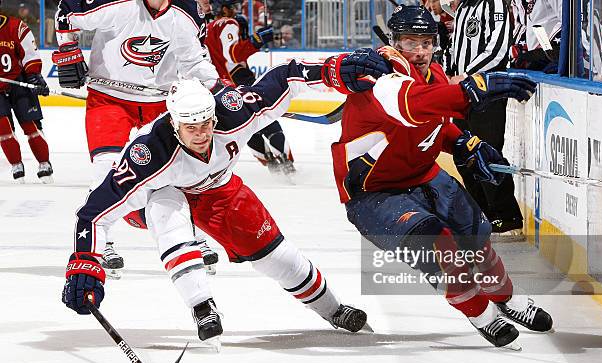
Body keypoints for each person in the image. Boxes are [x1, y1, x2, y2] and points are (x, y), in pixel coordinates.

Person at [60, 51, 392, 340]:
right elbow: (93, 214)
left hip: (219, 188)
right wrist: (85, 264)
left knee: (276, 257)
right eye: (190, 127)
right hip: (158, 195)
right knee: (167, 211)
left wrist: (331, 69)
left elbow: (285, 76)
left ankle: (333, 309)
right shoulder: (148, 154)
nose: (201, 134)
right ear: (174, 123)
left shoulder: (235, 113)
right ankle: (202, 306)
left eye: (205, 123)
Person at [323, 5, 552, 348]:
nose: (419, 51)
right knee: (438, 247)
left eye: (426, 42)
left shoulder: (436, 75)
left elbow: (437, 123)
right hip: (375, 194)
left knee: (477, 238)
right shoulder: (378, 75)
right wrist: (474, 87)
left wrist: (465, 142)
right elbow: (412, 105)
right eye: (409, 42)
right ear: (393, 42)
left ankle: (504, 295)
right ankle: (479, 312)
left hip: (425, 176)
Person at [53, 0, 220, 274]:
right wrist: (68, 48)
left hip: (160, 101)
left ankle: (192, 236)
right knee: (107, 168)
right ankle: (100, 241)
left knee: (178, 171)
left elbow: (192, 60)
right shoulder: (116, 4)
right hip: (109, 98)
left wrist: (216, 88)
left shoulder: (187, 14)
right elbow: (66, 14)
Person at [450, 0, 524, 234]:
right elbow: (456, 52)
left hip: (485, 91)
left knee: (486, 152)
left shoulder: (495, 3)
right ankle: (482, 212)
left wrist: (466, 75)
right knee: (463, 153)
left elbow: (499, 49)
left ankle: (506, 214)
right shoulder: (463, 7)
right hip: (461, 94)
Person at [205, 0, 296, 176]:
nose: (235, 10)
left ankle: (270, 164)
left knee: (245, 127)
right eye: (232, 7)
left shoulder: (207, 28)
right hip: (238, 80)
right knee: (267, 119)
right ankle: (286, 163)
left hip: (218, 87)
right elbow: (232, 54)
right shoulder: (228, 23)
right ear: (223, 9)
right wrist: (257, 40)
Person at [0, 1, 53, 183]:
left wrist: (34, 76)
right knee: (3, 130)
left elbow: (30, 54)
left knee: (31, 127)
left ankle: (44, 163)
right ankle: (16, 164)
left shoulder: (16, 26)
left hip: (18, 83)